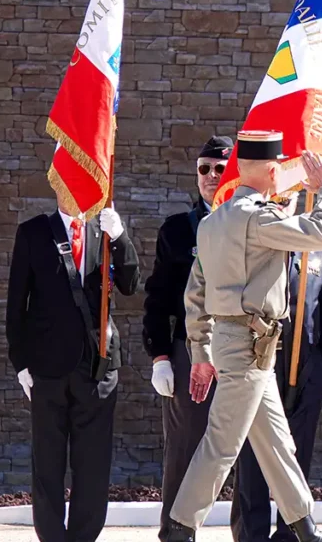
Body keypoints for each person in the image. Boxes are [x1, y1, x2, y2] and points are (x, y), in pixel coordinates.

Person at [166, 131, 322, 542]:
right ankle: (179, 528)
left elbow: (195, 294)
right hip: (249, 344)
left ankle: (305, 528)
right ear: (271, 171)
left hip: (244, 344)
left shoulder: (213, 222)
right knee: (222, 444)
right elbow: (321, 233)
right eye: (279, 166)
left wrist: (201, 350)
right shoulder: (258, 218)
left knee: (276, 444)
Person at [6, 183, 140, 542]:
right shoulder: (34, 232)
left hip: (97, 366)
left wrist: (121, 237)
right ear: (56, 183)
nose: (75, 188)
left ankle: (83, 537)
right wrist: (20, 363)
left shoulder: (104, 230)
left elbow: (130, 284)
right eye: (68, 180)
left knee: (93, 463)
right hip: (47, 368)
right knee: (47, 464)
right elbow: (16, 304)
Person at [230, 189, 322, 542]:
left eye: (289, 199)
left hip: (307, 365)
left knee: (297, 454)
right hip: (261, 359)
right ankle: (253, 534)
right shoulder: (254, 242)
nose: (284, 205)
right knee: (254, 454)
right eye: (277, 199)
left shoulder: (316, 249)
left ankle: (291, 534)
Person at [143, 134, 232, 542]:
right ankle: (175, 534)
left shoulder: (253, 223)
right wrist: (160, 355)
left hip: (242, 347)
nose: (211, 176)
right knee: (184, 448)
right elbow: (158, 297)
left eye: (220, 168)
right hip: (190, 350)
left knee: (249, 451)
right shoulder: (178, 230)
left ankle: (248, 533)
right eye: (204, 169)